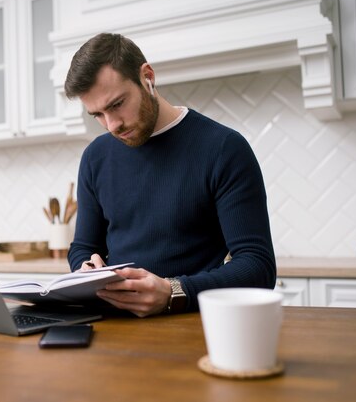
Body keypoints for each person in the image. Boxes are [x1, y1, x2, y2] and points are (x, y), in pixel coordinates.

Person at [64, 33, 276, 317]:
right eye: (98, 115)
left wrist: (173, 291)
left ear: (147, 77)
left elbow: (258, 267)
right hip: (114, 327)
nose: (111, 124)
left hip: (192, 325)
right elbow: (84, 247)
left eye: (116, 104)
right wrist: (85, 270)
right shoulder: (95, 157)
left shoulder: (223, 148)